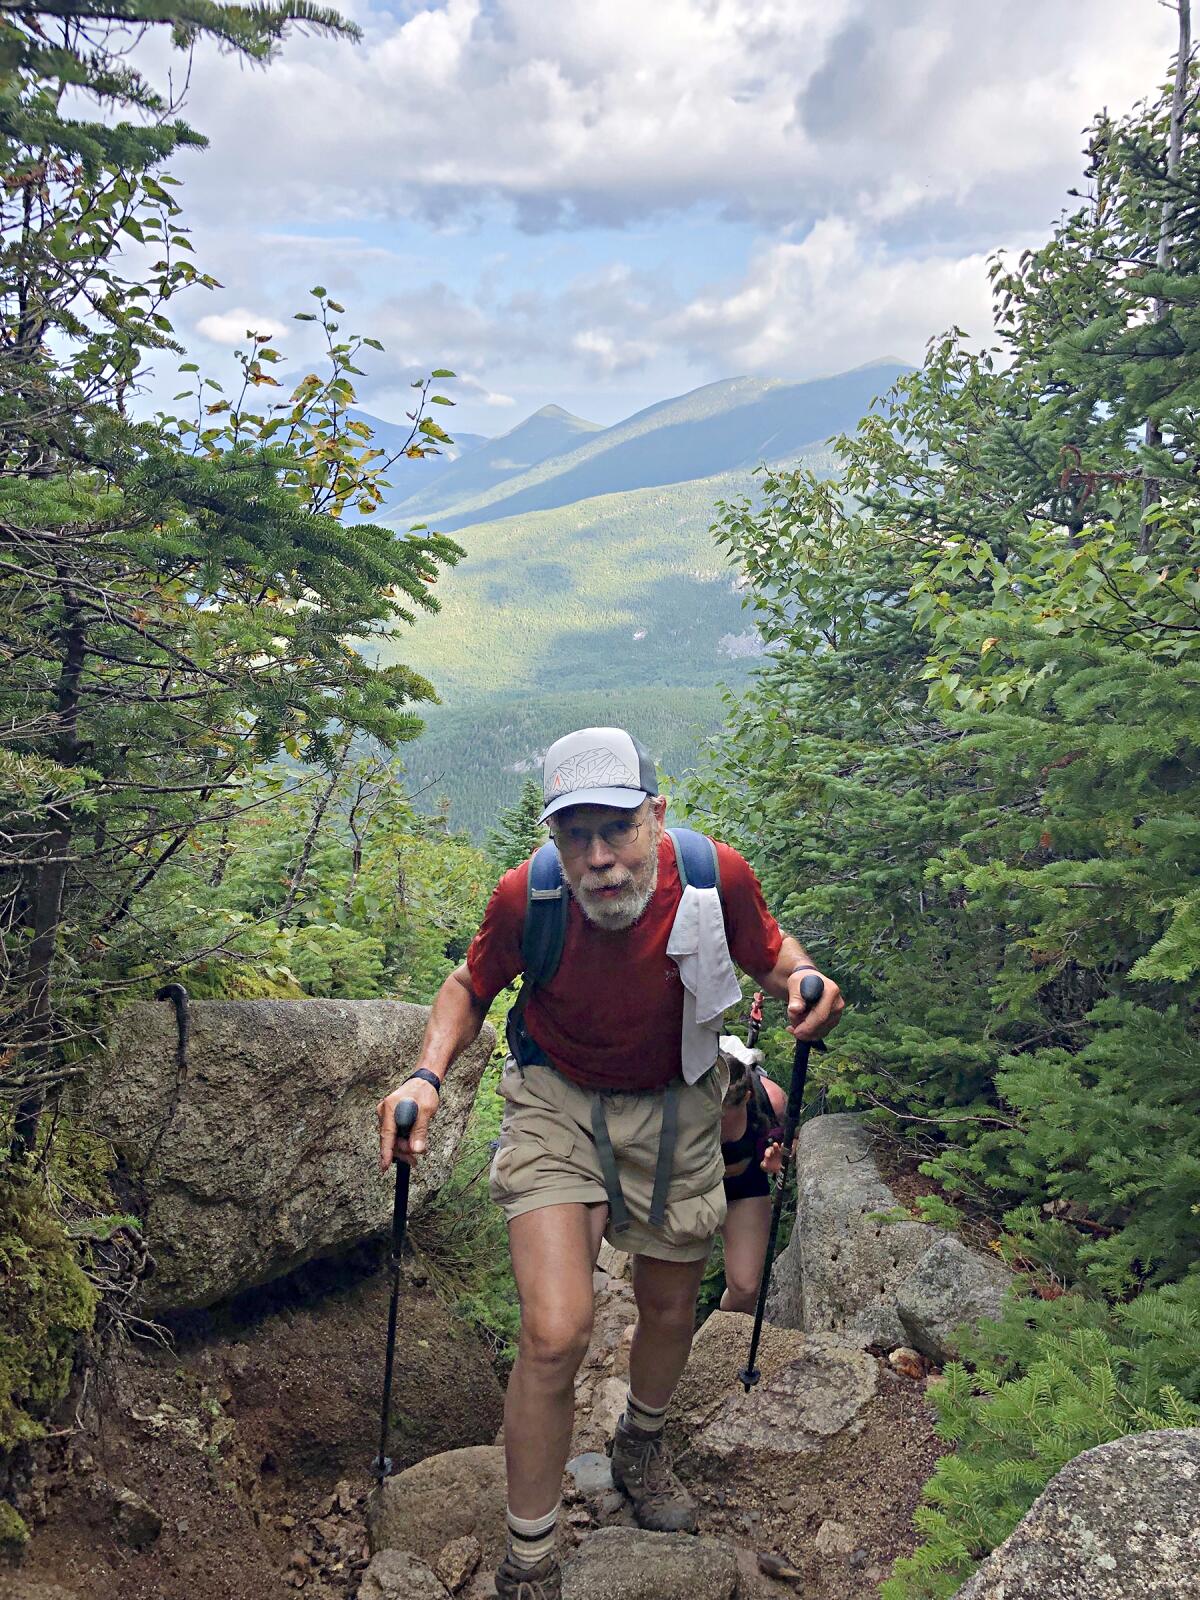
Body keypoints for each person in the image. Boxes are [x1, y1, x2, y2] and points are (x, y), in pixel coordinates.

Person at [377, 728, 844, 1600]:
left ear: (657, 818)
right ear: (554, 839)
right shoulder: (530, 898)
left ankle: (641, 1441)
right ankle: (530, 1554)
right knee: (556, 1331)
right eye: (575, 835)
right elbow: (470, 987)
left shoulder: (714, 877)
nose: (599, 859)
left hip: (682, 1096)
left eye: (618, 829)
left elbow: (770, 953)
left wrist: (804, 981)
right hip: (557, 1099)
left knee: (668, 1305)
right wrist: (424, 1073)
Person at [717, 1037, 788, 1313]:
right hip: (690, 1183)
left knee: (745, 1288)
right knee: (672, 1289)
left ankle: (720, 1339)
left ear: (746, 1098)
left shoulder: (771, 1101)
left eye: (723, 1113)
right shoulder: (686, 1097)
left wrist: (779, 1164)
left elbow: (790, 1145)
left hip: (745, 1184)